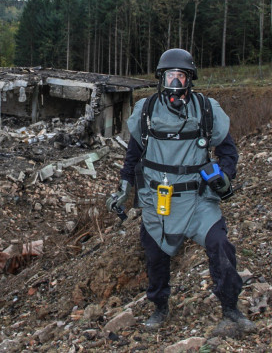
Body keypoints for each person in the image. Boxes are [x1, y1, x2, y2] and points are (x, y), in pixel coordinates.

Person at [106, 48, 255, 333]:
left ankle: (231, 310)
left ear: (190, 79)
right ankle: (160, 308)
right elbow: (132, 158)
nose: (175, 82)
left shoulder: (207, 110)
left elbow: (228, 152)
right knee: (155, 255)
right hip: (158, 199)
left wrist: (225, 175)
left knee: (219, 244)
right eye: (169, 76)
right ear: (161, 78)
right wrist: (124, 191)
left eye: (181, 76)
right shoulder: (146, 111)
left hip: (198, 198)